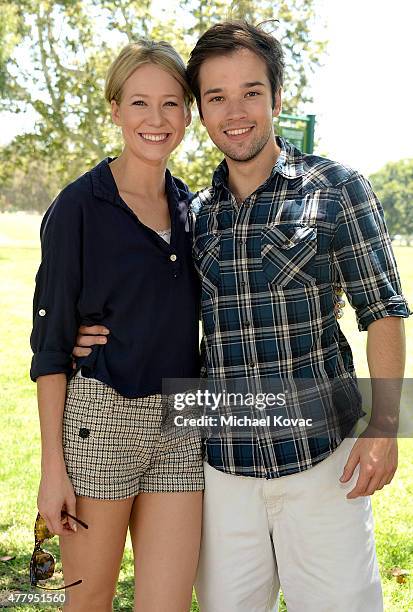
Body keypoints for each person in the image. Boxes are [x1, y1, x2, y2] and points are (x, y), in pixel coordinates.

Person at [74, 21, 410, 612]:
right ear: (201, 112)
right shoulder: (192, 215)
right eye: (217, 97)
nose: (237, 111)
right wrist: (88, 332)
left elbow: (382, 309)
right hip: (222, 466)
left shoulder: (336, 189)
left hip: (324, 460)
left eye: (252, 92)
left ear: (278, 99)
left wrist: (385, 425)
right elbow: (145, 289)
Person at [30, 40, 204, 612]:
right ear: (114, 109)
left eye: (171, 104)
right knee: (90, 602)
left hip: (181, 420)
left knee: (168, 603)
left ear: (187, 113)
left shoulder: (190, 208)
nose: (156, 120)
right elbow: (51, 349)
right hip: (101, 419)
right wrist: (52, 473)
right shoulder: (78, 207)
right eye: (138, 103)